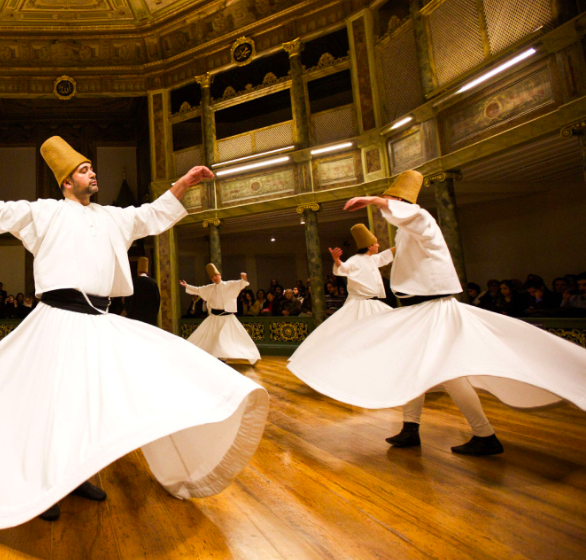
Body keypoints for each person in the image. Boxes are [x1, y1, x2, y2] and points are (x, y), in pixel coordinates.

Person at [0, 132, 268, 529]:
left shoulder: (113, 217)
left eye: (92, 168)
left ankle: (75, 478)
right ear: (66, 181)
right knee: (50, 404)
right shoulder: (45, 213)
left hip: (100, 323)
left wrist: (184, 183)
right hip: (57, 319)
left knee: (89, 403)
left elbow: (151, 214)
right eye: (84, 169)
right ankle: (42, 487)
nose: (93, 174)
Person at [288, 170, 586, 456]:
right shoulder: (406, 233)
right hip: (422, 308)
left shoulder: (422, 219)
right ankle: (412, 428)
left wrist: (376, 200)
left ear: (402, 205)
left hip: (435, 308)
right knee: (416, 366)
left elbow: (414, 216)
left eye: (391, 203)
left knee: (449, 373)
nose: (385, 209)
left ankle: (483, 435)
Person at [288, 224, 394, 363]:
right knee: (350, 336)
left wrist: (404, 242)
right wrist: (337, 261)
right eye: (376, 243)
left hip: (373, 303)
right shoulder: (355, 260)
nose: (378, 245)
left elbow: (386, 255)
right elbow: (343, 268)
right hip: (359, 304)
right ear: (369, 246)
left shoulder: (372, 259)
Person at [180, 264, 260, 363]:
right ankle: (218, 357)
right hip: (214, 318)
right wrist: (187, 286)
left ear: (220, 275)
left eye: (215, 275)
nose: (214, 278)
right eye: (212, 277)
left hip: (227, 318)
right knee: (204, 335)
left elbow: (241, 284)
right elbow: (198, 290)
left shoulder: (229, 285)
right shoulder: (210, 288)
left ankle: (252, 355)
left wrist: (243, 278)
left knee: (237, 337)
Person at [124, 257, 161, 327]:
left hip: (135, 321)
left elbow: (127, 301)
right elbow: (157, 302)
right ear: (147, 272)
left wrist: (131, 315)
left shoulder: (132, 283)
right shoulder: (153, 284)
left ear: (137, 271)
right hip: (149, 322)